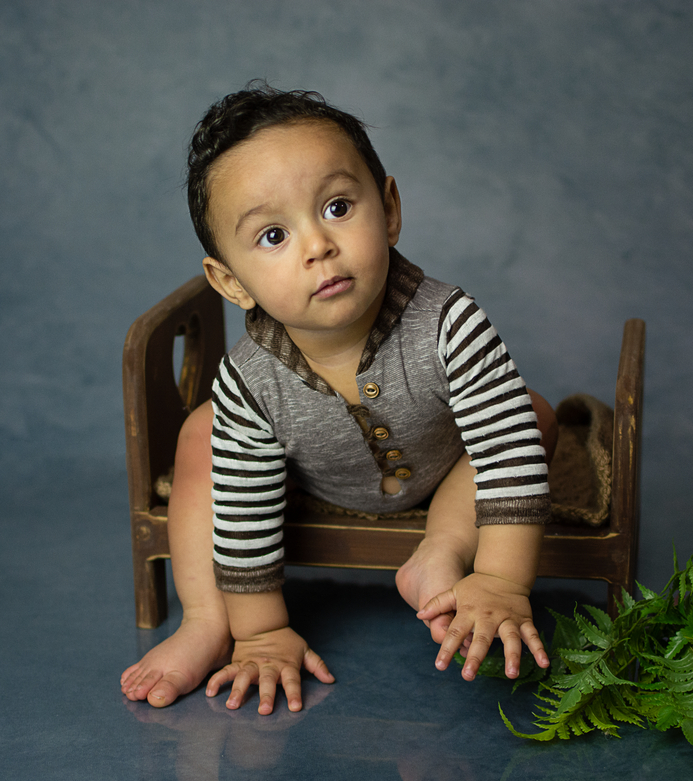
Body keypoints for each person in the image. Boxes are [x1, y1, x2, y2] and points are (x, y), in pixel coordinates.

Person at [121, 83, 558, 715]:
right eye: (273, 235)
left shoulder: (450, 323)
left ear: (389, 209)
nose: (316, 246)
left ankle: (444, 549)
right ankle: (207, 621)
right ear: (229, 281)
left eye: (337, 207)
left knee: (531, 413)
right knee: (203, 434)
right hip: (307, 482)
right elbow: (242, 512)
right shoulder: (250, 379)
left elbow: (507, 452)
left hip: (445, 473)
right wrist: (262, 631)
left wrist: (500, 581)